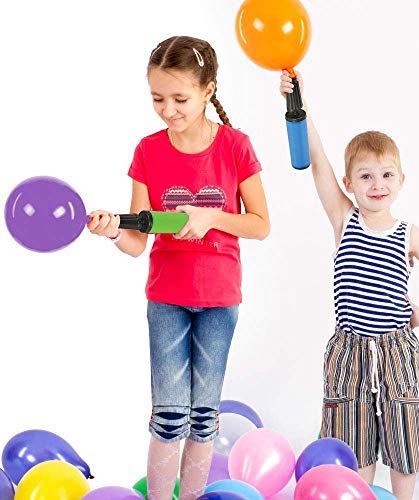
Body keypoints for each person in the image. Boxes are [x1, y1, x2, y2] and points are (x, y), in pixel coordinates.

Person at [88, 36, 270, 500]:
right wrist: (113, 230)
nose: (168, 110)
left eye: (179, 99)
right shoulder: (148, 151)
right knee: (169, 417)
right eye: (157, 99)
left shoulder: (235, 146)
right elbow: (136, 241)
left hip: (220, 301)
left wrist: (212, 217)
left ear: (208, 90)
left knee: (203, 417)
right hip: (167, 299)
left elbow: (260, 225)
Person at [280, 70, 419, 499]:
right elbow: (319, 162)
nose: (377, 185)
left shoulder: (409, 234)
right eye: (365, 176)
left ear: (401, 180)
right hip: (350, 350)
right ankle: (360, 493)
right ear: (349, 184)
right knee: (353, 436)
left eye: (386, 175)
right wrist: (298, 104)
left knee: (402, 435)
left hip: (396, 348)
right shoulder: (345, 220)